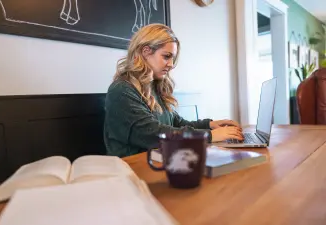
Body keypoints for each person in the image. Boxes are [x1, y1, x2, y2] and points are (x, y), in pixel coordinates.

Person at [104, 23, 244, 158]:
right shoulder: (122, 90)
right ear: (146, 51)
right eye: (166, 56)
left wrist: (209, 125)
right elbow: (153, 134)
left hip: (159, 160)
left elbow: (176, 123)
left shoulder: (154, 87)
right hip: (133, 169)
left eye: (173, 58)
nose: (171, 64)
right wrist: (210, 135)